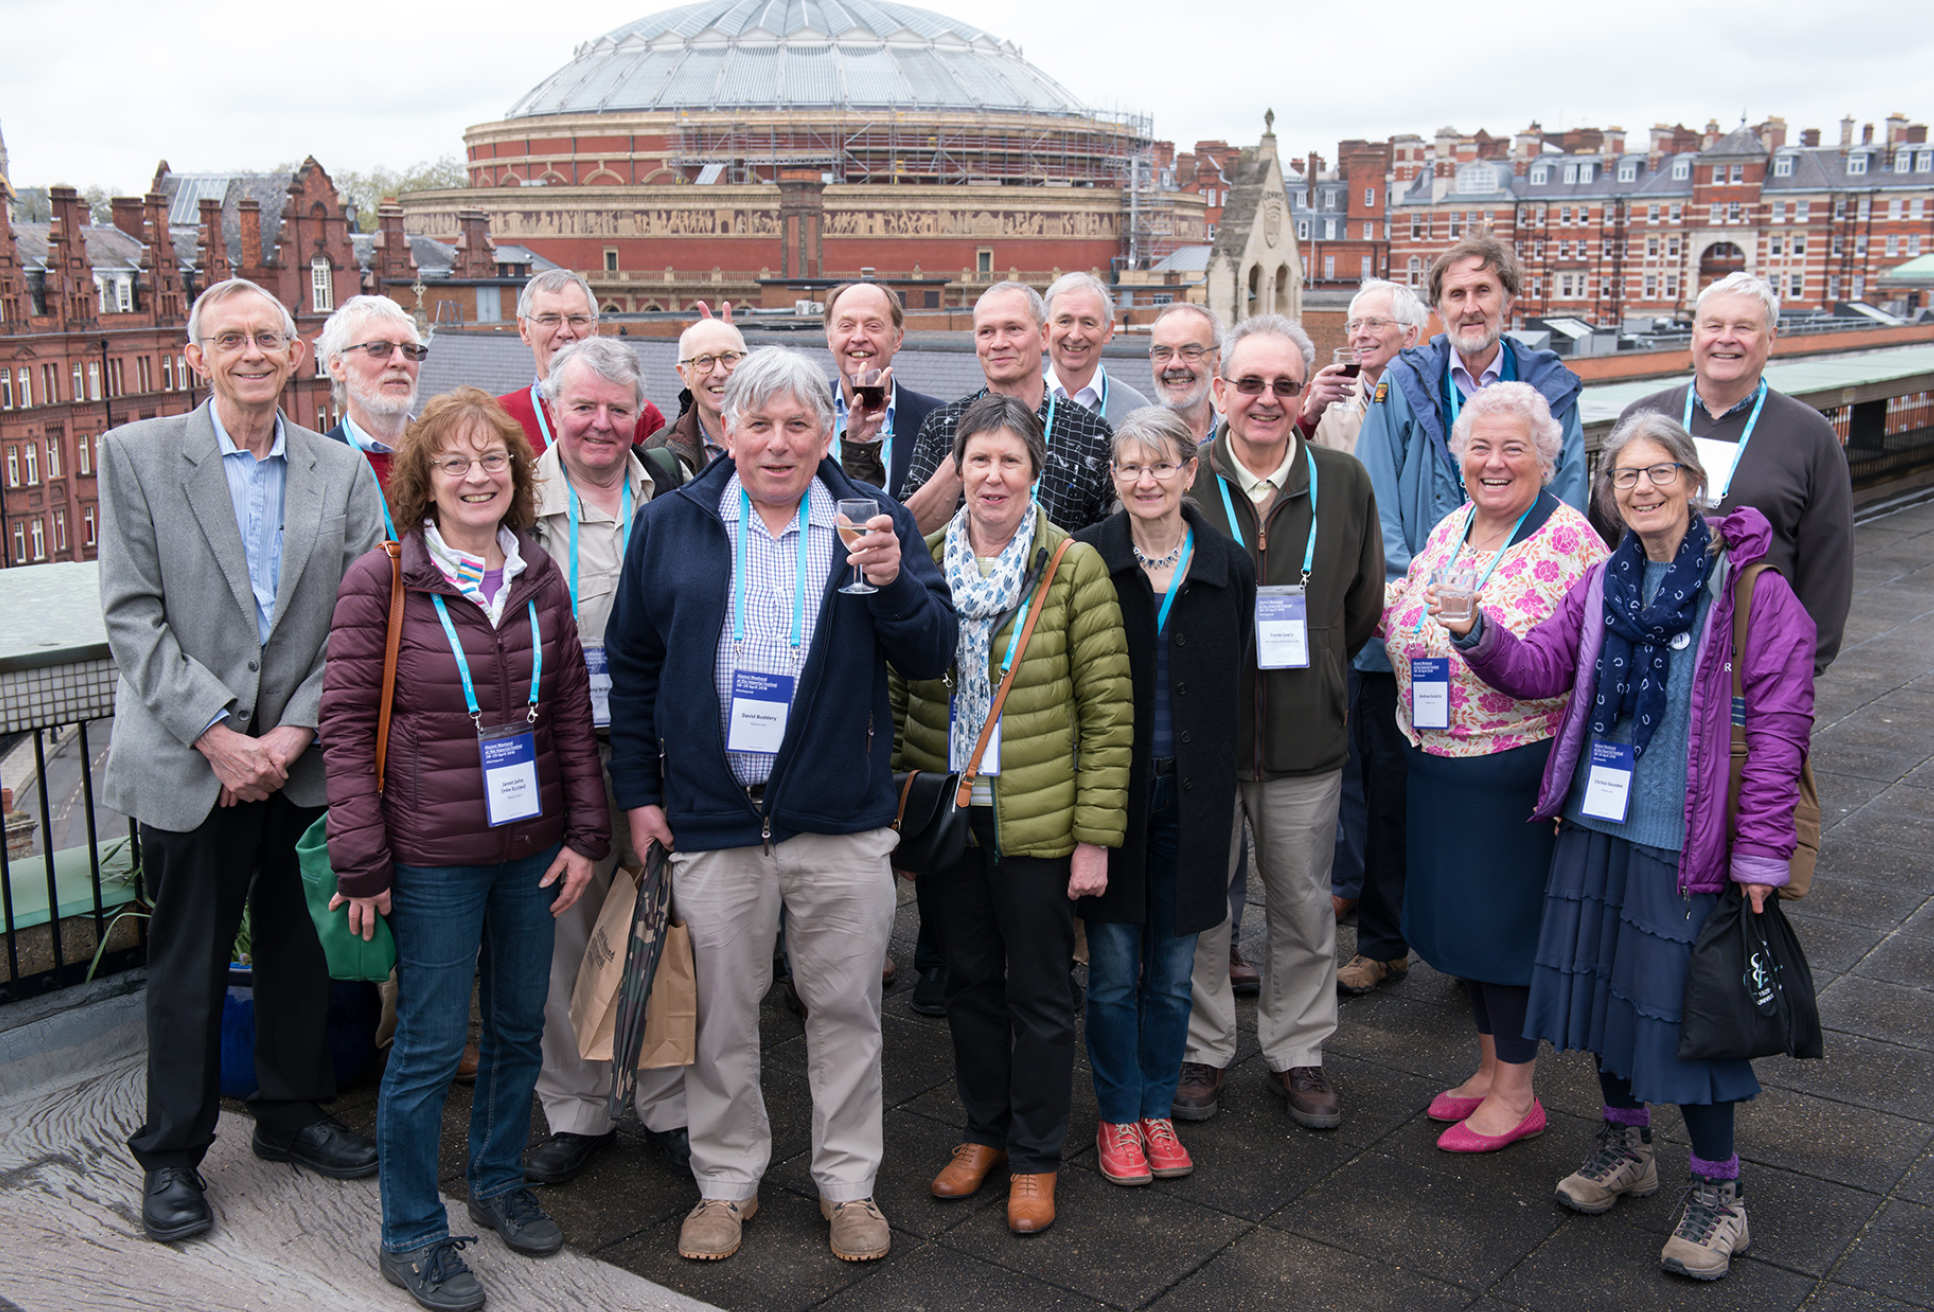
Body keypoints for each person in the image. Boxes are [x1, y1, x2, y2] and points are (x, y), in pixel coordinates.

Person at [1442, 411, 1815, 1281]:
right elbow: (1542, 669)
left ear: (1693, 481)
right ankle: (1626, 1147)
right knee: (1607, 997)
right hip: (1599, 827)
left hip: (1691, 844)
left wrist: (1759, 856)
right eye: (1624, 476)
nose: (1641, 489)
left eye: (1659, 472)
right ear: (1609, 494)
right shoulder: (1607, 581)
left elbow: (1781, 730)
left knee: (1694, 1020)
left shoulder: (1753, 591)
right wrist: (1477, 634)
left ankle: (1721, 1194)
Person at [604, 347, 956, 1265]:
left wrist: (889, 584)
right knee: (722, 1015)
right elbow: (634, 669)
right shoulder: (672, 524)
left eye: (799, 424)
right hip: (714, 818)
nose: (777, 442)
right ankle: (726, 1182)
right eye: (758, 423)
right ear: (725, 428)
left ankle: (848, 1187)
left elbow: (929, 655)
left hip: (837, 821)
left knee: (846, 1012)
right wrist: (638, 794)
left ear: (827, 431)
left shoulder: (870, 521)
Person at [97, 276, 386, 1245]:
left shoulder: (338, 470)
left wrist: (291, 736)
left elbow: (358, 616)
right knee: (189, 962)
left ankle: (291, 1111)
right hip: (192, 761)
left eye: (269, 336)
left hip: (299, 758)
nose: (253, 352)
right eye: (231, 339)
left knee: (299, 951)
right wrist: (219, 735)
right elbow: (132, 615)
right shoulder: (135, 457)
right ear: (198, 357)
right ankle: (172, 1154)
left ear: (297, 354)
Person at [322, 387, 607, 1312]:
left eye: (494, 460)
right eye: (456, 462)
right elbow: (344, 722)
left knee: (520, 1028)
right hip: (433, 853)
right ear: (424, 482)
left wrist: (587, 834)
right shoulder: (385, 579)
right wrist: (362, 859)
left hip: (531, 847)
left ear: (516, 476)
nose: (478, 476)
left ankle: (495, 1182)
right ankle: (410, 1232)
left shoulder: (539, 573)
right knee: (432, 1045)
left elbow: (568, 716)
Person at [891, 393, 1130, 1233]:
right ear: (956, 469)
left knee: (1037, 989)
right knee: (965, 984)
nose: (993, 477)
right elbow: (892, 692)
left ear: (1034, 474)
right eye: (978, 460)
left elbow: (1108, 712)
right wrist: (898, 804)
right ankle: (981, 1131)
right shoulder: (917, 560)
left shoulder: (1073, 565)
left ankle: (1035, 1156)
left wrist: (1096, 837)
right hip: (947, 810)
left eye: (1010, 462)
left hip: (1038, 818)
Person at [1342, 234, 1589, 999]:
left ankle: (1487, 958)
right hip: (1415, 627)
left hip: (1517, 627)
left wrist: (1523, 584)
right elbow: (1379, 503)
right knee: (1393, 792)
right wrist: (1413, 598)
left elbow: (1570, 494)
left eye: (1484, 292)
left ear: (1508, 300)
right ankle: (1385, 941)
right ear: (1438, 307)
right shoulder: (1404, 381)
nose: (1471, 307)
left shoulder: (1551, 385)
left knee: (1500, 821)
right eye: (1456, 294)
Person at [1377, 382, 1606, 1153]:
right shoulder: (1453, 526)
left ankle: (1517, 1093)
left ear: (1547, 458)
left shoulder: (1573, 544)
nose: (1495, 462)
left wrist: (1474, 633)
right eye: (1480, 446)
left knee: (1504, 932)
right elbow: (1409, 607)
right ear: (1458, 456)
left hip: (1512, 768)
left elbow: (1555, 667)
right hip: (1437, 759)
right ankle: (1486, 1069)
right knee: (1462, 929)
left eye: (1514, 448)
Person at [1173, 315, 1383, 1130]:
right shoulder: (1184, 481)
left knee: (1301, 903)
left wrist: (1323, 670)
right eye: (1250, 383)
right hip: (1205, 737)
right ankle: (1205, 1045)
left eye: (1284, 385)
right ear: (1220, 389)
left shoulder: (1344, 481)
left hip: (1304, 736)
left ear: (1306, 394)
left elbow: (1360, 603)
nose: (1266, 399)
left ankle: (1298, 1050)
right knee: (1202, 905)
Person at [522, 338, 690, 1188]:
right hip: (555, 745)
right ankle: (577, 1110)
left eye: (617, 409)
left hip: (656, 743)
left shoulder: (674, 490)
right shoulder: (513, 496)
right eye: (583, 407)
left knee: (663, 921)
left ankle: (669, 1105)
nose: (600, 424)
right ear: (553, 409)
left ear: (639, 415)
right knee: (566, 928)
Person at [1074, 407, 1253, 1186]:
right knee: (1113, 971)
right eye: (1129, 467)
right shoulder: (1086, 559)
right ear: (1113, 478)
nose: (1145, 481)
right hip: (1112, 797)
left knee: (1175, 972)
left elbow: (1242, 675)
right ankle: (1117, 1116)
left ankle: (1155, 1108)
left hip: (1198, 793)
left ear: (1189, 472)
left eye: (1161, 466)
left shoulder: (1227, 562)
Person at [1619, 271, 1852, 673]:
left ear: (1771, 339)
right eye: (1714, 325)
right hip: (1644, 650)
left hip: (1755, 657)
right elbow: (1607, 531)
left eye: (1744, 327)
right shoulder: (1643, 418)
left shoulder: (1809, 434)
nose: (1726, 338)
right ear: (1695, 335)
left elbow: (1828, 559)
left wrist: (1806, 662)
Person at [1307, 279, 1427, 931]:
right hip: (1342, 591)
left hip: (1407, 590)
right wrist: (1306, 410)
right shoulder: (1336, 396)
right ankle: (1350, 878)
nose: (1359, 336)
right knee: (1348, 744)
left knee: (1394, 753)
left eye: (1374, 324)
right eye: (1353, 326)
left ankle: (1392, 896)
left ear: (1411, 335)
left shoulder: (1419, 398)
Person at [900, 281, 1116, 535]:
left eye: (1013, 329)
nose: (999, 343)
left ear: (1044, 336)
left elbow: (1104, 537)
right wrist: (962, 450)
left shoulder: (1091, 434)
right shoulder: (943, 425)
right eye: (986, 332)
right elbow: (908, 533)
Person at [496, 269, 667, 455]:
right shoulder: (498, 417)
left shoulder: (641, 416)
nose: (565, 332)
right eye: (549, 319)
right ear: (524, 330)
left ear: (595, 328)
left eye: (577, 319)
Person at [822, 280, 945, 500]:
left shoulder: (937, 422)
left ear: (897, 339)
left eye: (873, 326)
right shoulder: (805, 413)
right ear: (830, 338)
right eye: (846, 326)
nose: (859, 337)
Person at [318, 293, 426, 524]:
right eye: (379, 348)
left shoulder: (444, 452)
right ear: (337, 365)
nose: (400, 361)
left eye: (409, 349)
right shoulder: (317, 466)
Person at [1044, 271, 1152, 426]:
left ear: (1108, 331)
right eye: (1064, 321)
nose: (1075, 336)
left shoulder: (1138, 412)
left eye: (1088, 323)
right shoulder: (1021, 406)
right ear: (1046, 330)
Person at [649, 316, 748, 475]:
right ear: (684, 376)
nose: (719, 372)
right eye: (704, 360)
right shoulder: (657, 452)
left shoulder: (780, 436)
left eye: (729, 357)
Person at [1147, 303, 1222, 448]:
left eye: (1191, 353)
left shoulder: (1240, 440)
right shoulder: (1132, 445)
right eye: (1163, 353)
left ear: (1217, 361)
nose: (1175, 364)